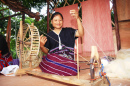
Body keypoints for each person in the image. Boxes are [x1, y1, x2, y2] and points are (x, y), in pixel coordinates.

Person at [37, 10, 84, 76]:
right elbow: (47, 51)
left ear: (63, 21)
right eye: (55, 20)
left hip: (67, 61)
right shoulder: (48, 35)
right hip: (54, 60)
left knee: (74, 68)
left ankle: (49, 69)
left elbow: (81, 33)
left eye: (60, 20)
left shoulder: (69, 31)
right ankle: (56, 69)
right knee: (50, 58)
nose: (58, 22)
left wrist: (78, 18)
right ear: (51, 22)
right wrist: (41, 46)